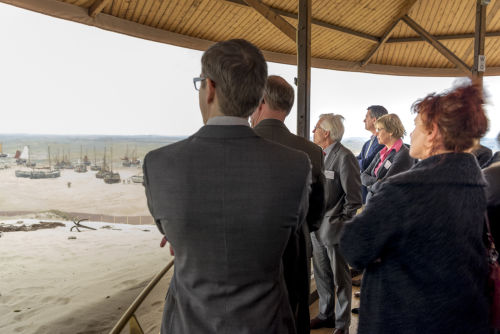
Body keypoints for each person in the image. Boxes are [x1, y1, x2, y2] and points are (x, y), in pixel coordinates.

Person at [143, 39, 312, 334]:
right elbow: (293, 226)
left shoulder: (159, 164)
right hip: (267, 323)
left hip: (189, 324)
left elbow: (169, 234)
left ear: (209, 88)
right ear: (259, 96)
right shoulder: (296, 165)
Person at [340, 82, 490, 333]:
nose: (410, 134)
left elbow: (354, 247)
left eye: (416, 126)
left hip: (405, 318)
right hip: (463, 316)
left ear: (432, 132)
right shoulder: (478, 184)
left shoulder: (405, 190)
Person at [251, 75, 325, 334]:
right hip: (296, 247)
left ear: (260, 102)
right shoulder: (311, 151)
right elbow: (317, 211)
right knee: (295, 312)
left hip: (249, 254)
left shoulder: (236, 147)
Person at [310, 113, 362, 334]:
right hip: (315, 228)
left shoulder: (344, 157)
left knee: (341, 278)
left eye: (316, 128)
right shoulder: (317, 156)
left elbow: (354, 199)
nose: (313, 131)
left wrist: (341, 225)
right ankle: (326, 314)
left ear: (326, 132)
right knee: (321, 275)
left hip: (334, 230)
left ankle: (342, 324)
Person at [361, 113, 414, 203]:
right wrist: (376, 180)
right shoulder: (381, 152)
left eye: (379, 129)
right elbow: (363, 176)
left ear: (391, 131)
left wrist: (369, 186)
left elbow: (386, 185)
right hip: (373, 205)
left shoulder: (403, 154)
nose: (376, 133)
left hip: (387, 208)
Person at [357, 106, 388, 203]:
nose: (363, 120)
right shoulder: (367, 143)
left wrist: (356, 162)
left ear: (374, 120)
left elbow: (366, 164)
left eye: (366, 117)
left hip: (376, 195)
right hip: (363, 194)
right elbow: (358, 160)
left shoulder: (382, 142)